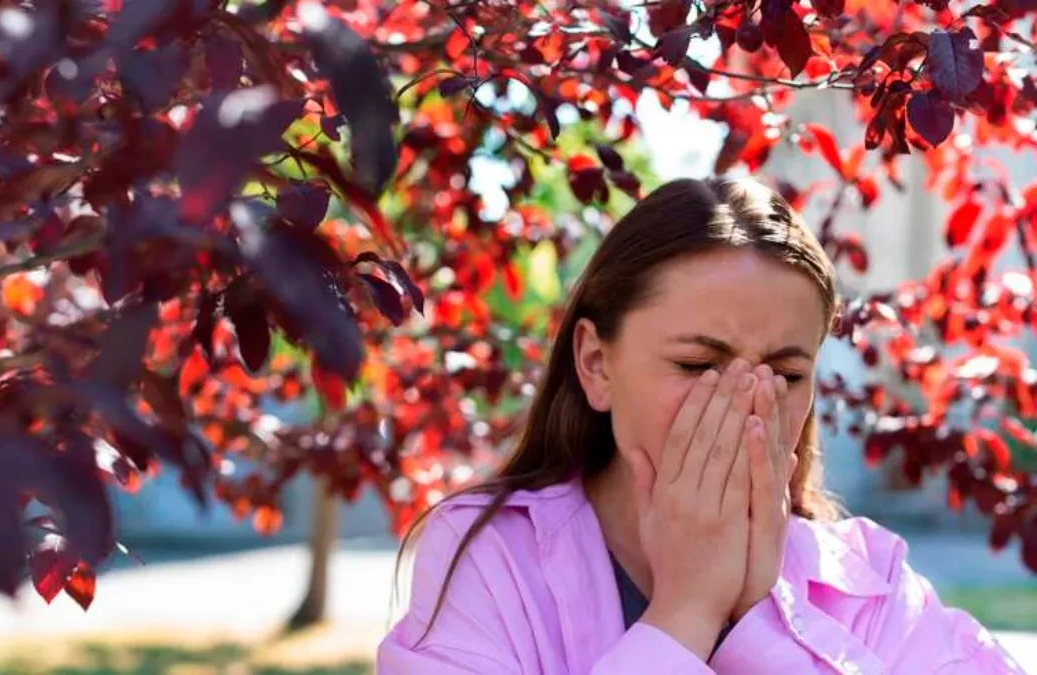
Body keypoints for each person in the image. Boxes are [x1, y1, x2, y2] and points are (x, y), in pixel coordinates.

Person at [377, 176, 1027, 674]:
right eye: (696, 363)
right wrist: (684, 612)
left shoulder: (869, 576)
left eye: (787, 373)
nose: (747, 403)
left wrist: (757, 619)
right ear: (597, 363)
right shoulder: (489, 557)